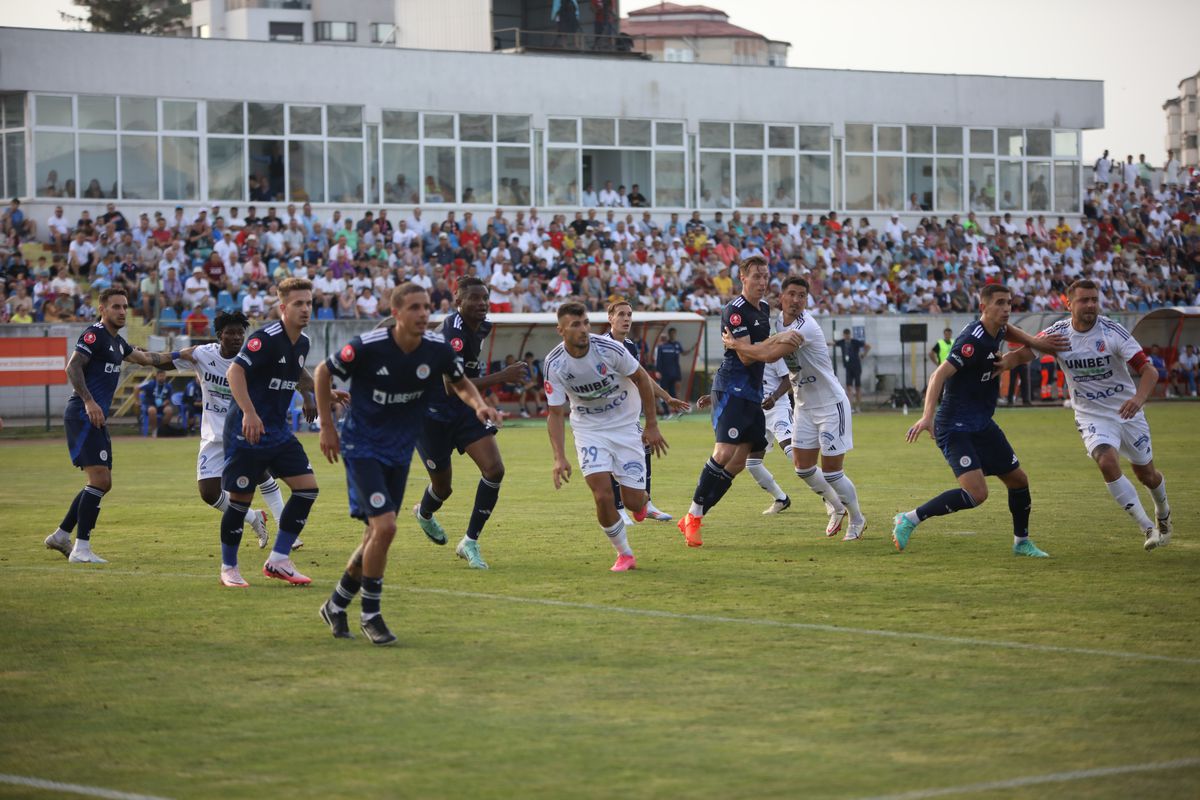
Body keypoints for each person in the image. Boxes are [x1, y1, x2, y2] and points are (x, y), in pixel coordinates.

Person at [315, 283, 501, 644]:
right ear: (396, 312)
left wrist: (479, 405)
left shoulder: (436, 349)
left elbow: (460, 382)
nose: (422, 313)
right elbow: (323, 371)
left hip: (399, 450)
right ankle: (371, 615)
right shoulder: (369, 346)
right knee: (385, 528)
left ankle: (336, 604)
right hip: (363, 447)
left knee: (375, 534)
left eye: (426, 307)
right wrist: (326, 426)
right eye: (414, 307)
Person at [892, 284, 1067, 557]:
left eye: (1009, 302)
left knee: (1018, 480)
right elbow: (938, 375)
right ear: (983, 307)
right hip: (954, 426)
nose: (1006, 308)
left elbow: (1009, 331)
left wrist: (1035, 342)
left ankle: (1021, 542)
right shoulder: (971, 342)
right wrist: (927, 417)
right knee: (976, 494)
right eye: (999, 303)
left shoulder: (998, 328)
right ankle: (909, 518)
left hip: (982, 422)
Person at [1007, 280, 1174, 551]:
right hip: (1091, 416)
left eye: (1094, 300)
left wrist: (1138, 399)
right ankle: (1147, 527)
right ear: (1068, 304)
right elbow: (1022, 355)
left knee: (1147, 475)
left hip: (1127, 412)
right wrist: (999, 364)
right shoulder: (1058, 334)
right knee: (1106, 462)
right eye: (1084, 300)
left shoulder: (1112, 332)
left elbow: (1149, 371)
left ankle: (1162, 511)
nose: (1091, 305)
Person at [148, 311, 323, 552]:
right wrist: (134, 355)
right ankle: (253, 518)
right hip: (213, 435)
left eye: (241, 332)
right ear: (219, 335)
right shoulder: (202, 354)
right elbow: (163, 360)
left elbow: (294, 369)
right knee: (209, 493)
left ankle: (285, 528)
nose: (237, 337)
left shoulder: (254, 353)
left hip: (244, 426)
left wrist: (308, 396)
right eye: (230, 333)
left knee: (260, 472)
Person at [676, 256, 802, 547]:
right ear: (742, 278)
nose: (762, 281)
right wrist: (772, 341)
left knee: (740, 462)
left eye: (765, 276)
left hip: (753, 394)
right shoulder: (734, 311)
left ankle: (695, 515)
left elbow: (754, 350)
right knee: (724, 452)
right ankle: (694, 517)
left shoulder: (764, 309)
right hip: (732, 388)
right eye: (756, 276)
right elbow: (745, 357)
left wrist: (767, 342)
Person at [44, 288, 175, 563]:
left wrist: (186, 354)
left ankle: (61, 535)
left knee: (103, 482)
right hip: (83, 413)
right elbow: (72, 367)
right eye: (116, 306)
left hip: (95, 417)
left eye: (125, 306)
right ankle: (81, 549)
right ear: (102, 309)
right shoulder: (94, 335)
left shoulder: (118, 342)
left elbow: (147, 359)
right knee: (100, 480)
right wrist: (89, 402)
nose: (122, 311)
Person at [411, 277, 525, 569]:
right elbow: (451, 386)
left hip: (464, 410)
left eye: (485, 298)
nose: (482, 303)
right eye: (474, 298)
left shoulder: (482, 327)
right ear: (458, 302)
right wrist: (502, 376)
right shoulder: (453, 333)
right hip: (431, 415)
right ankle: (424, 513)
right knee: (442, 489)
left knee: (494, 469)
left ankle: (470, 541)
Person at [545, 302, 667, 571]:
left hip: (625, 427)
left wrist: (652, 425)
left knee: (633, 501)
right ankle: (625, 554)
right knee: (602, 495)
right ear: (561, 330)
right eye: (575, 325)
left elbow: (642, 379)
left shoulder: (609, 349)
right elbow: (554, 412)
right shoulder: (554, 363)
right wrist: (559, 457)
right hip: (589, 431)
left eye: (586, 323)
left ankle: (642, 501)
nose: (583, 329)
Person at [218, 277, 321, 587]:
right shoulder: (265, 338)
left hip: (277, 431)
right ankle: (229, 568)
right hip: (247, 431)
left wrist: (315, 394)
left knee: (307, 488)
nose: (305, 309)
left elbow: (295, 373)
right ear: (283, 307)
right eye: (298, 303)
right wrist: (249, 412)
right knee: (240, 502)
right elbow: (234, 372)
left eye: (309, 303)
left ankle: (278, 559)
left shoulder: (303, 342)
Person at [753, 275, 867, 539]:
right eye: (791, 294)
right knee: (802, 468)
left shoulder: (806, 327)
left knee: (833, 473)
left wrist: (738, 345)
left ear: (807, 300)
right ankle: (837, 507)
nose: (796, 300)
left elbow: (770, 355)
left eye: (802, 296)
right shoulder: (778, 323)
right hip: (804, 405)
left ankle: (857, 519)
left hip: (830, 404)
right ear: (782, 297)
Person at [605, 299, 689, 524]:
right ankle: (618, 509)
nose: (626, 319)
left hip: (628, 415)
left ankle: (646, 504)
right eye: (621, 314)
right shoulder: (603, 346)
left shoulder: (630, 346)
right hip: (608, 416)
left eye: (629, 314)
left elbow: (642, 377)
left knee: (645, 448)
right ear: (610, 318)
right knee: (613, 459)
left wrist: (667, 397)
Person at [833, 328, 871, 412]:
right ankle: (850, 406)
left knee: (858, 387)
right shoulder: (842, 342)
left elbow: (868, 346)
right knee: (849, 387)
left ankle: (858, 406)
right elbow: (833, 343)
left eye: (848, 335)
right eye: (845, 335)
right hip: (848, 367)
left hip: (856, 366)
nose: (846, 337)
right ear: (843, 335)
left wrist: (863, 355)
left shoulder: (855, 342)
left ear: (850, 335)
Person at [654, 328, 685, 415]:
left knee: (664, 392)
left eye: (663, 338)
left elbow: (659, 360)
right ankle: (674, 411)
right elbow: (674, 360)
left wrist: (658, 371)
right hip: (669, 373)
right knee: (669, 393)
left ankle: (669, 412)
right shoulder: (669, 347)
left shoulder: (661, 347)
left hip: (666, 374)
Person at [139, 368, 176, 436]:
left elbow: (170, 397)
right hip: (150, 405)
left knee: (169, 410)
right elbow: (136, 388)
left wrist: (167, 401)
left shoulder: (168, 386)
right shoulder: (150, 384)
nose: (162, 378)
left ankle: (162, 429)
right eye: (160, 376)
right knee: (152, 410)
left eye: (163, 376)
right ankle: (154, 430)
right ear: (156, 376)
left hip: (162, 406)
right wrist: (137, 401)